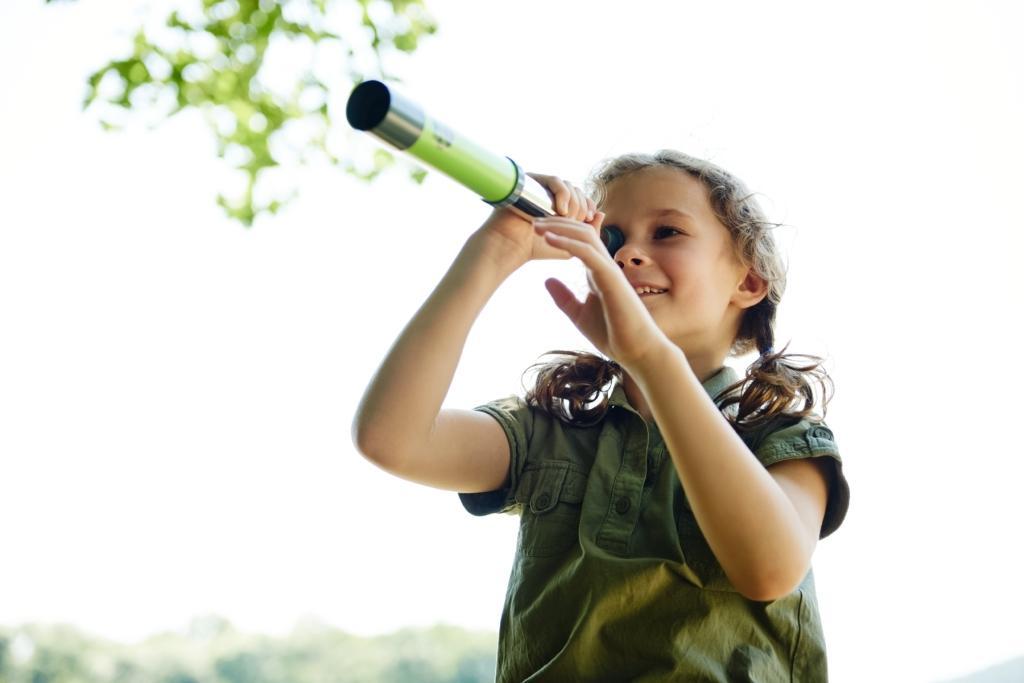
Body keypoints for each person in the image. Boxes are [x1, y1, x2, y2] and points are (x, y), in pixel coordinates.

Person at [352, 149, 850, 681]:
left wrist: (652, 361)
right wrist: (495, 249)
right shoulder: (553, 432)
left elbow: (768, 569)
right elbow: (392, 438)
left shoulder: (784, 436)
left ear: (749, 282)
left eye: (667, 233)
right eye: (611, 238)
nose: (627, 254)